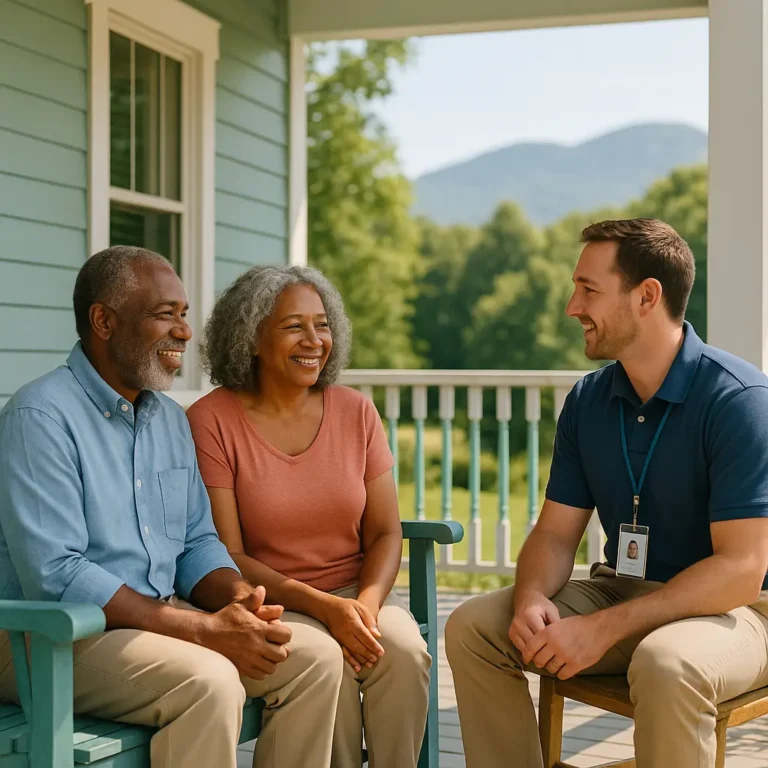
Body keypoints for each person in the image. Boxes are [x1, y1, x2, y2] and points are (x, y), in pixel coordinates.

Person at [445, 218, 768, 768]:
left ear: (647, 296)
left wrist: (600, 630)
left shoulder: (738, 400)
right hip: (621, 590)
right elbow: (553, 533)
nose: (572, 307)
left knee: (666, 663)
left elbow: (742, 568)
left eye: (588, 290)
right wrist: (529, 600)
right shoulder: (589, 400)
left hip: (737, 611)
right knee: (474, 627)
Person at [0, 245, 337, 768]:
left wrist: (240, 600)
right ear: (103, 321)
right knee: (210, 682)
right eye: (165, 315)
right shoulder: (40, 416)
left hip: (147, 626)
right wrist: (202, 629)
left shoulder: (168, 421)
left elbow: (196, 543)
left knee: (313, 656)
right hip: (49, 639)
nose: (184, 331)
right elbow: (57, 576)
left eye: (184, 315)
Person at [185, 264, 431, 768]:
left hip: (357, 594)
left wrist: (364, 605)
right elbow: (227, 555)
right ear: (250, 338)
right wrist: (323, 608)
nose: (315, 340)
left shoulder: (356, 412)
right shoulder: (211, 421)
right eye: (294, 326)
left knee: (403, 652)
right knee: (329, 667)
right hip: (274, 602)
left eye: (322, 324)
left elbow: (385, 531)